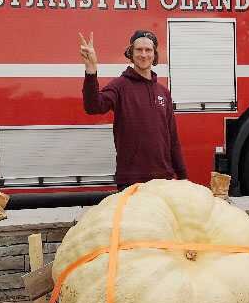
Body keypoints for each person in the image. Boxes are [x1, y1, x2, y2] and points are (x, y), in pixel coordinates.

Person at [80, 29, 187, 190]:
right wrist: (91, 71)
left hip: (163, 179)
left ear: (155, 54)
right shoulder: (120, 86)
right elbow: (93, 106)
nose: (143, 54)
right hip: (131, 180)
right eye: (138, 49)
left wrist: (183, 177)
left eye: (148, 50)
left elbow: (173, 140)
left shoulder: (163, 92)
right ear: (131, 53)